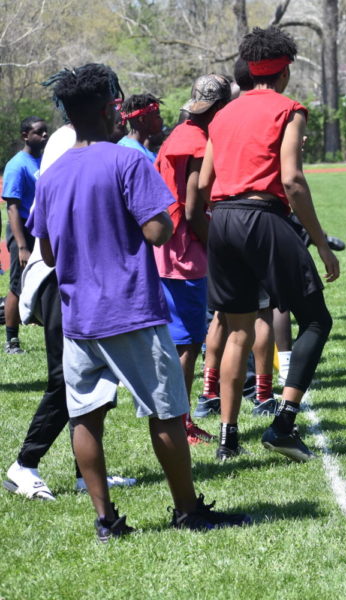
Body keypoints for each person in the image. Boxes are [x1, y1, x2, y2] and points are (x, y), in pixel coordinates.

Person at [27, 63, 249, 539]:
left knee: (85, 415)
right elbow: (157, 229)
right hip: (130, 309)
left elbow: (46, 251)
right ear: (111, 110)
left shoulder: (51, 174)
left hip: (78, 317)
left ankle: (106, 520)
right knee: (166, 410)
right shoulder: (126, 161)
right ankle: (188, 510)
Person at [200, 26, 339, 462]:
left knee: (236, 328)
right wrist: (321, 243)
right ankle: (283, 425)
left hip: (222, 219)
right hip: (263, 218)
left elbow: (205, 183)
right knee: (316, 320)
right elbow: (293, 181)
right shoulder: (290, 109)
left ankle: (227, 438)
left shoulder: (222, 114)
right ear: (285, 70)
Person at [4, 76, 135, 499]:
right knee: (66, 380)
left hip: (77, 276)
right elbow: (59, 212)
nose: (117, 112)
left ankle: (86, 474)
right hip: (59, 278)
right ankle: (23, 465)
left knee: (96, 378)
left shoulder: (81, 139)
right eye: (111, 101)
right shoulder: (70, 141)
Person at [153, 74, 233, 444]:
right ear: (217, 108)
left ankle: (173, 416)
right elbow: (193, 208)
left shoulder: (177, 135)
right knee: (186, 343)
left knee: (175, 340)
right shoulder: (199, 143)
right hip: (184, 252)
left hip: (163, 247)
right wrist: (215, 244)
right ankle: (180, 422)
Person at [3, 116, 48, 353]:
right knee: (17, 285)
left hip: (40, 229)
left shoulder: (43, 160)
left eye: (45, 132)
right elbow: (12, 207)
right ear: (25, 135)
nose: (44, 136)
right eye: (39, 132)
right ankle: (11, 340)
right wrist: (21, 245)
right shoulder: (17, 165)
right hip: (22, 230)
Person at [118, 93, 163, 161]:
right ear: (142, 119)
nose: (161, 120)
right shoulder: (142, 158)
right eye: (157, 116)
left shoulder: (120, 145)